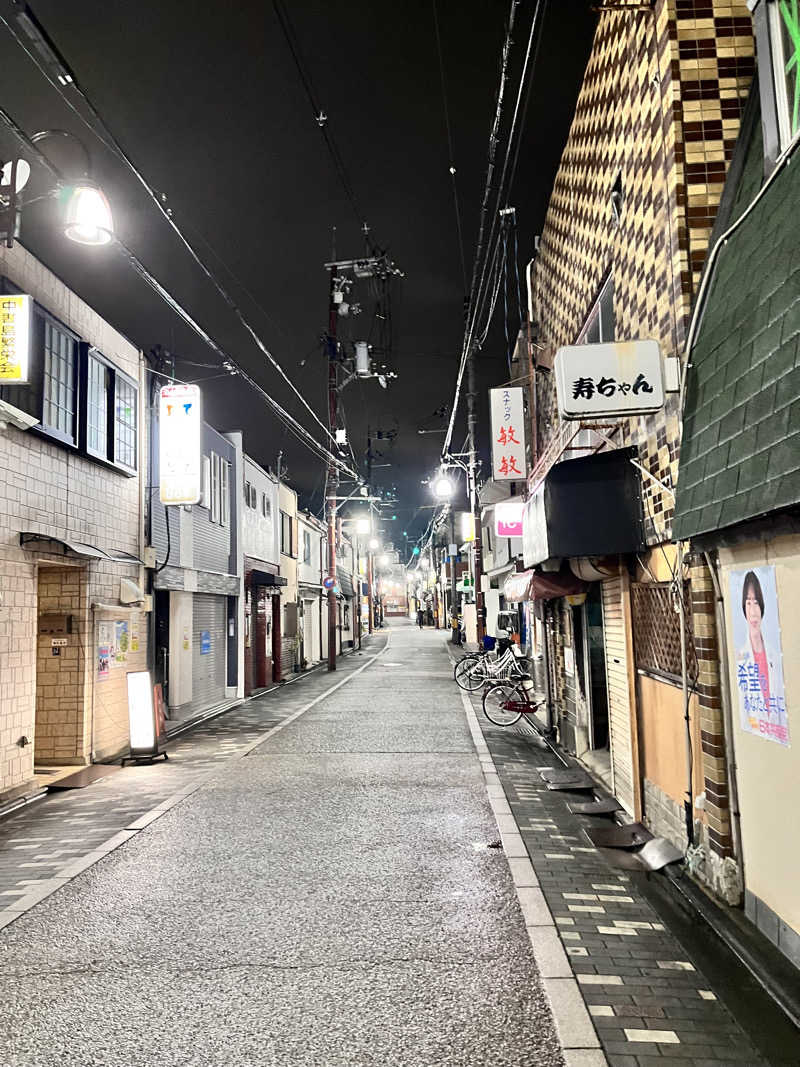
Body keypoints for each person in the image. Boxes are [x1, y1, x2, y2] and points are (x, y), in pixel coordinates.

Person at [737, 570, 786, 738]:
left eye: (756, 602)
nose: (753, 611)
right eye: (748, 603)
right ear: (743, 607)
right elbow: (744, 714)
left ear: (762, 606)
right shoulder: (741, 657)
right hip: (755, 737)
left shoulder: (774, 655)